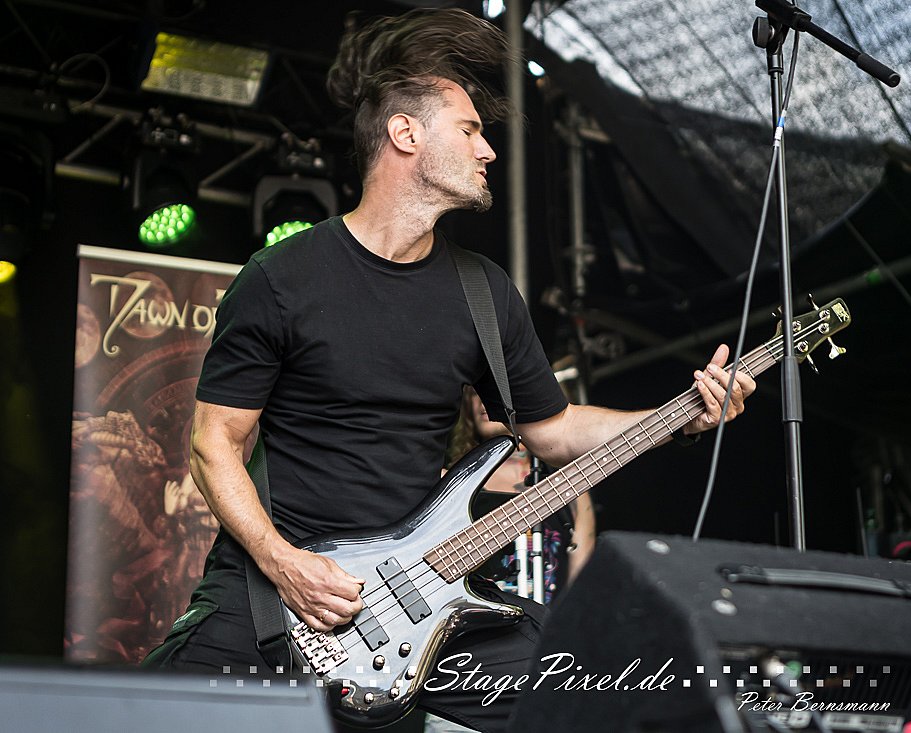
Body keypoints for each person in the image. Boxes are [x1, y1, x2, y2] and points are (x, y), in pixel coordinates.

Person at [143, 8, 755, 732]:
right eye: (469, 130)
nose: (488, 149)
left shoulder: (483, 292)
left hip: (426, 598)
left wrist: (679, 415)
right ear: (406, 134)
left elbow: (554, 431)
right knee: (145, 714)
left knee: (595, 693)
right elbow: (214, 443)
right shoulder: (282, 277)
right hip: (275, 594)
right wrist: (284, 564)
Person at [448, 385, 597, 598]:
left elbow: (580, 578)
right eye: (474, 393)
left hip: (547, 616)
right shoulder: (450, 483)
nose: (482, 400)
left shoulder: (568, 485)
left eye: (494, 388)